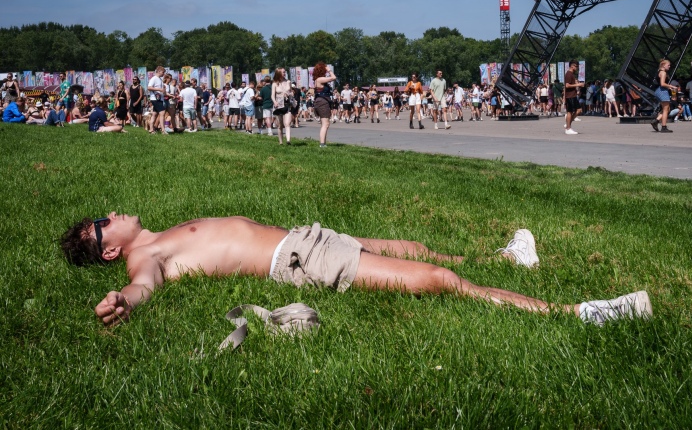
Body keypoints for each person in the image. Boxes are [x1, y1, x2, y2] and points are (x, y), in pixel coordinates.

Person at [60, 213, 653, 328]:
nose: (110, 215)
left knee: (414, 246)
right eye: (101, 224)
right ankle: (581, 314)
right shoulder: (143, 257)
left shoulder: (157, 232)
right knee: (442, 285)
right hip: (299, 260)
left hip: (303, 238)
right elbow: (147, 286)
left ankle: (507, 259)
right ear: (110, 250)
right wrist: (127, 301)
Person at [650, 59, 679, 133]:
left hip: (658, 91)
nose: (669, 66)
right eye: (668, 65)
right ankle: (664, 127)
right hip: (662, 91)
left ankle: (656, 121)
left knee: (667, 109)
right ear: (663, 65)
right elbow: (662, 83)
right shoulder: (663, 73)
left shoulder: (659, 72)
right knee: (666, 109)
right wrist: (672, 86)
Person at [312, 62, 336, 147]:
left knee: (325, 123)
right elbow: (333, 77)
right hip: (322, 102)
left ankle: (323, 143)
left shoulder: (318, 79)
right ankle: (322, 144)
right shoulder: (320, 79)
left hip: (321, 101)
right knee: (325, 123)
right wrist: (329, 70)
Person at [272, 68, 293, 145]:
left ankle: (288, 140)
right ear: (279, 73)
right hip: (278, 105)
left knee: (287, 123)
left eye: (285, 72)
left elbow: (291, 92)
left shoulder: (288, 82)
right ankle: (281, 142)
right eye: (283, 72)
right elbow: (272, 95)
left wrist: (290, 94)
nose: (285, 73)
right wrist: (274, 102)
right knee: (280, 125)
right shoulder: (275, 84)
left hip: (287, 104)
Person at [564, 61, 584, 135]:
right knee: (570, 111)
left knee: (579, 110)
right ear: (572, 66)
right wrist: (578, 84)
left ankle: (568, 124)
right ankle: (568, 128)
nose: (577, 68)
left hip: (573, 95)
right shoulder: (569, 74)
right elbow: (567, 85)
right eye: (576, 66)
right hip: (570, 96)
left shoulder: (571, 74)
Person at [147, 67, 166, 134]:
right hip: (155, 99)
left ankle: (151, 129)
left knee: (154, 114)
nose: (164, 74)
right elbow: (149, 87)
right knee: (162, 112)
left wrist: (163, 90)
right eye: (163, 72)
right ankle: (163, 130)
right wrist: (159, 89)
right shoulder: (154, 78)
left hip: (159, 98)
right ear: (159, 71)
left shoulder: (160, 79)